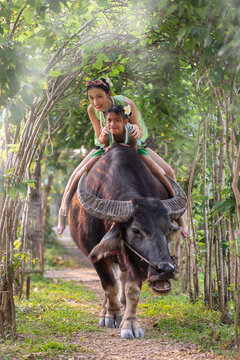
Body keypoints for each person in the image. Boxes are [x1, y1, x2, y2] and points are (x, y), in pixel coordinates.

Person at [56, 78, 188, 237]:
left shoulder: (127, 104)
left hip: (134, 143)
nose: (96, 101)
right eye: (91, 97)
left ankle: (181, 221)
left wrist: (133, 130)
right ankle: (62, 213)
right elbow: (99, 137)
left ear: (108, 94)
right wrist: (104, 137)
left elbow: (138, 129)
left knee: (167, 171)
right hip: (106, 145)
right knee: (76, 174)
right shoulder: (92, 110)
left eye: (99, 96)